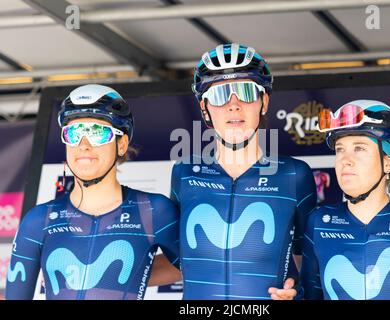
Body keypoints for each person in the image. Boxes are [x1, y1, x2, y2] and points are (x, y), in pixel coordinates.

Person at [170, 43, 317, 300]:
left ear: (264, 102)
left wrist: (297, 289)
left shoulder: (295, 174)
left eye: (246, 92)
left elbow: (311, 260)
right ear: (205, 108)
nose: (233, 105)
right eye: (219, 95)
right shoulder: (184, 173)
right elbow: (174, 261)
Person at [6, 84, 180, 300]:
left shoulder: (154, 210)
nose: (84, 144)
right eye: (74, 133)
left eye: (97, 133)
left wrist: (135, 274)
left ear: (122, 143)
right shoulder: (38, 220)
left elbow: (202, 268)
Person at [300, 99, 390, 300]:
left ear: (387, 163)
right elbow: (308, 295)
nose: (345, 159)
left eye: (359, 148)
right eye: (340, 149)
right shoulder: (318, 221)